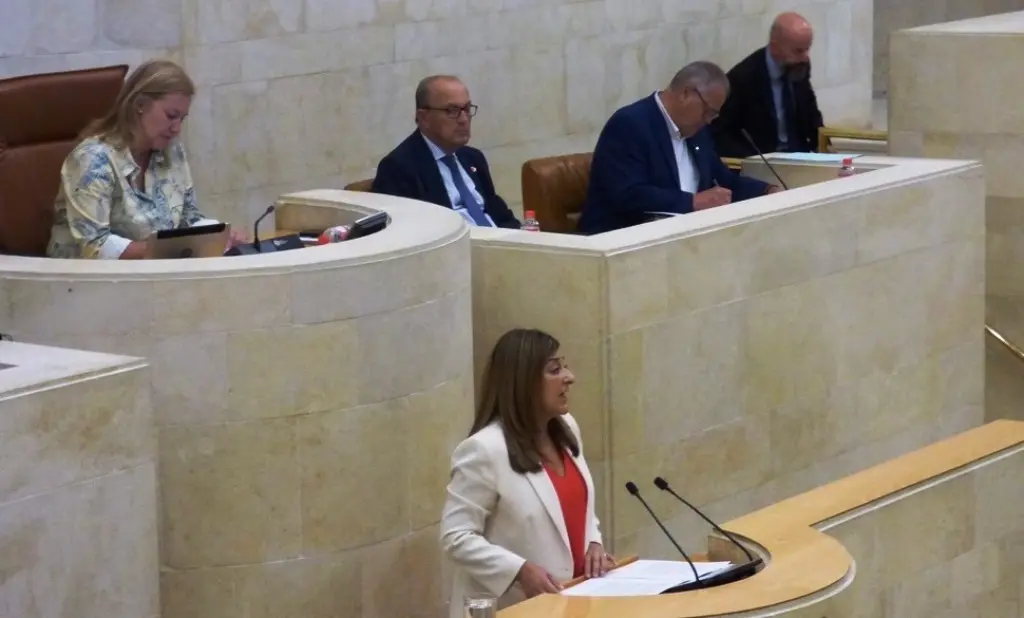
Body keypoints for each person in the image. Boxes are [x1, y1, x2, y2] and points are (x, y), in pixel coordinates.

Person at [440, 328, 612, 617]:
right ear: (523, 383)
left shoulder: (567, 427)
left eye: (564, 367)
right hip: (517, 608)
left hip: (576, 600)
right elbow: (456, 536)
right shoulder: (483, 450)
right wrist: (519, 570)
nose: (569, 377)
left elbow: (579, 508)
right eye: (554, 370)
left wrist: (593, 541)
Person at [47, 60, 245, 259]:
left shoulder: (171, 150)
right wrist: (167, 248)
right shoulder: (92, 159)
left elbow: (188, 219)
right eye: (171, 115)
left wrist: (216, 236)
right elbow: (94, 246)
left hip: (155, 273)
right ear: (140, 105)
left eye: (182, 119)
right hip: (85, 282)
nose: (176, 129)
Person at [577, 61, 780, 235]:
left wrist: (766, 191)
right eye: (708, 112)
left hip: (683, 241)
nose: (709, 121)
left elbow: (722, 180)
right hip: (624, 243)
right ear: (686, 94)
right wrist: (692, 202)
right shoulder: (630, 125)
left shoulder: (696, 132)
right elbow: (627, 195)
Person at [371, 75, 519, 229]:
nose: (464, 120)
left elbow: (502, 217)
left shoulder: (473, 158)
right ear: (424, 117)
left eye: (466, 109)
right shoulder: (399, 167)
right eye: (452, 111)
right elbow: (412, 236)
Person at [711, 12, 824, 158]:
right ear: (775, 47)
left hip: (800, 156)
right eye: (798, 51)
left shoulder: (800, 66)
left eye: (807, 49)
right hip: (763, 160)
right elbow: (723, 133)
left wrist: (824, 149)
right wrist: (752, 160)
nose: (805, 57)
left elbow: (810, 110)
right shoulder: (743, 77)